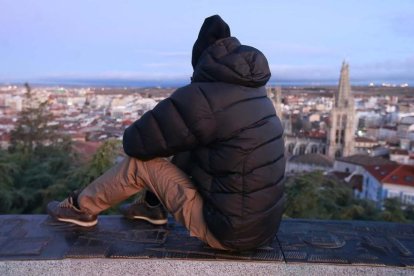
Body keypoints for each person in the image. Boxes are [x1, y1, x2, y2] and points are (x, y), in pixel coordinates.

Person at [47, 15, 285, 251]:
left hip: (227, 233)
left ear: (202, 61)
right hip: (262, 229)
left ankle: (79, 208)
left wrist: (178, 106)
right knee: (190, 145)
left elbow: (136, 143)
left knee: (140, 165)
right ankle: (151, 206)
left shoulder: (203, 98)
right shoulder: (258, 97)